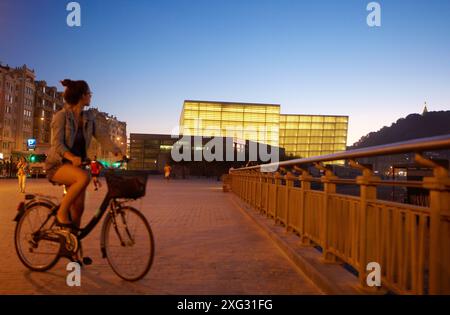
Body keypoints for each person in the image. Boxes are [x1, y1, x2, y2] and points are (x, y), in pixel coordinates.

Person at [45, 79, 122, 232]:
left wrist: (117, 151)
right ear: (82, 96)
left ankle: (71, 243)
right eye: (89, 93)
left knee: (78, 208)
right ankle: (61, 213)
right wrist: (72, 157)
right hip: (58, 165)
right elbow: (57, 145)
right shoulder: (61, 116)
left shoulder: (88, 118)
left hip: (76, 166)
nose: (90, 96)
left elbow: (102, 137)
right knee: (84, 177)